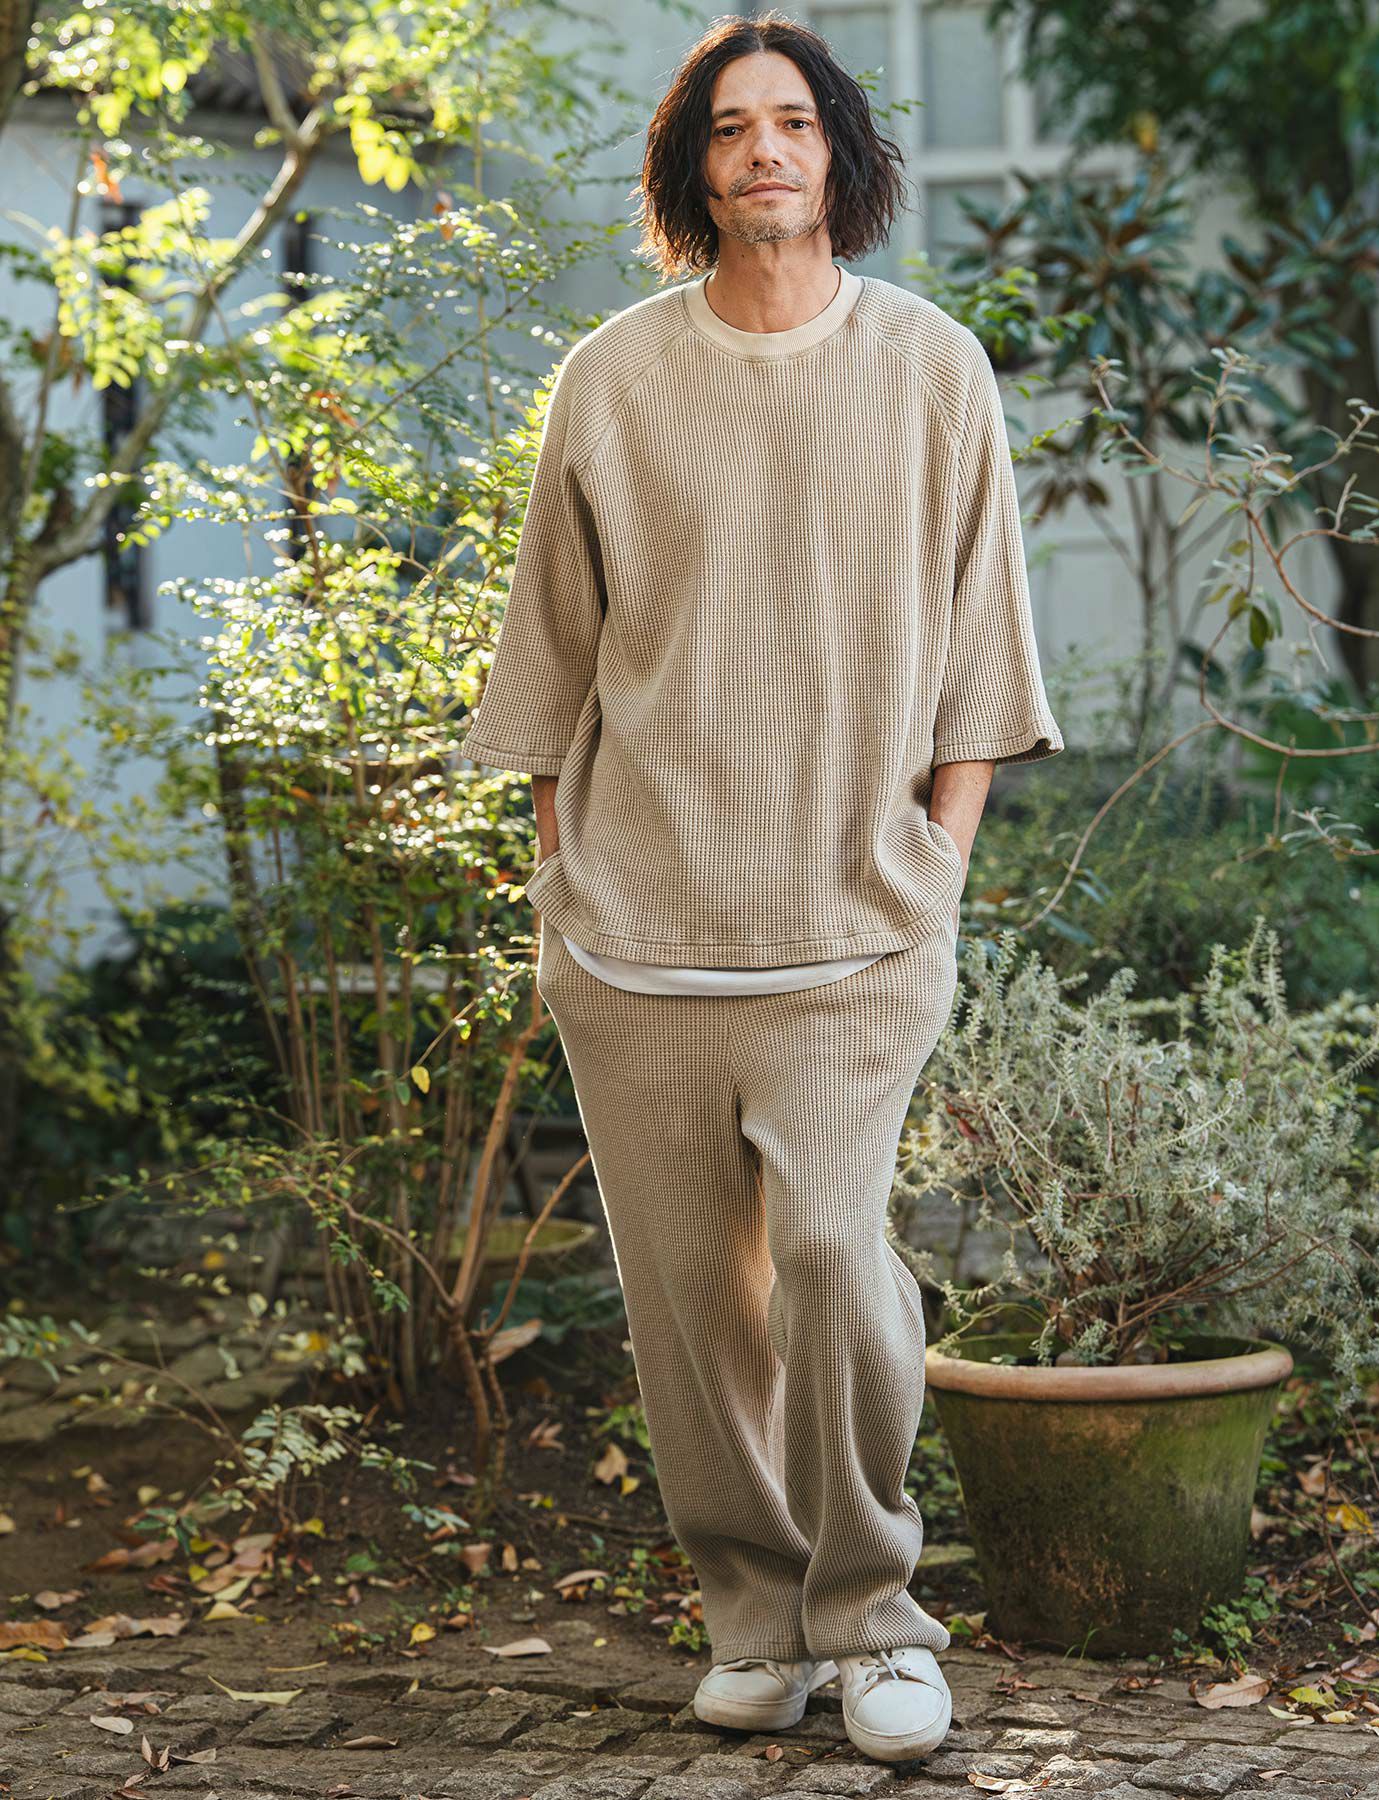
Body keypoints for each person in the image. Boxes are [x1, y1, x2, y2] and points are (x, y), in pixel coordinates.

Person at [461, 8, 1064, 1766]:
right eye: (730, 128)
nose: (764, 151)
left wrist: (940, 862)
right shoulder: (612, 378)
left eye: (793, 121)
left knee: (823, 1254)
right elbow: (552, 649)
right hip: (638, 932)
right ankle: (755, 1616)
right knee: (686, 1304)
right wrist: (563, 880)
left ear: (840, 154)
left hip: (857, 924)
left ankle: (872, 1618)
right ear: (694, 168)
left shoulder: (931, 368)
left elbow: (984, 647)